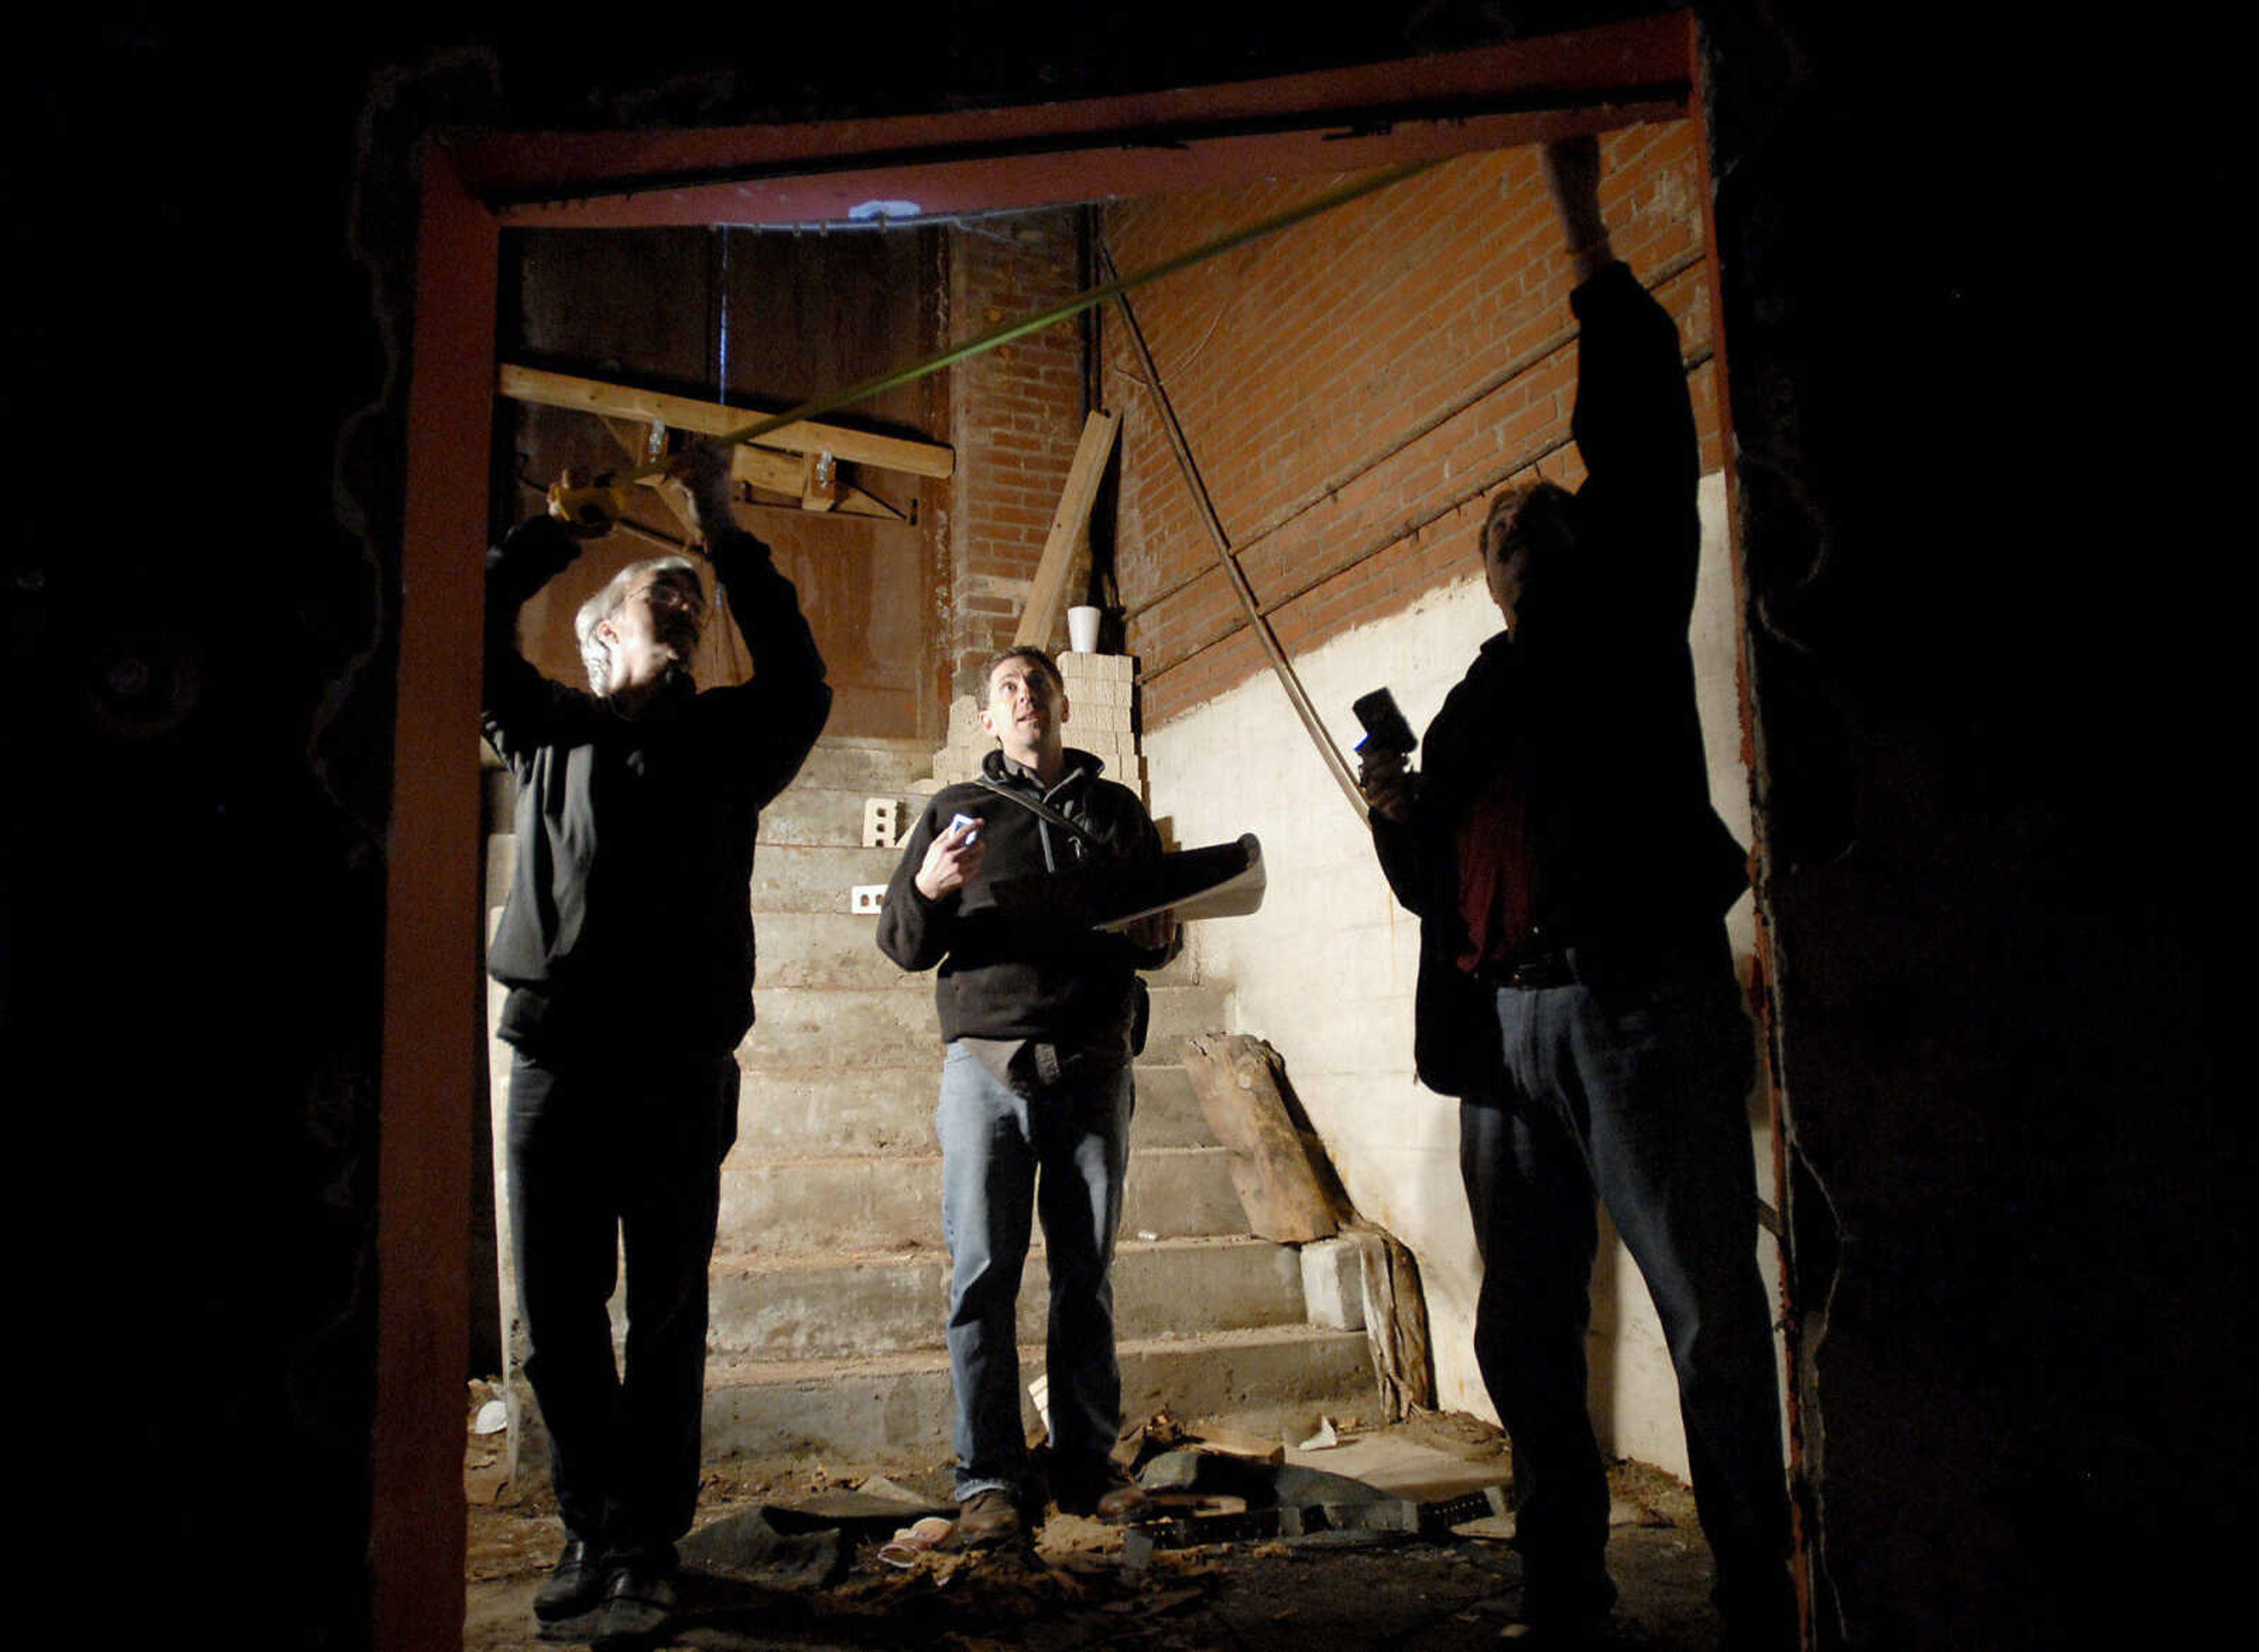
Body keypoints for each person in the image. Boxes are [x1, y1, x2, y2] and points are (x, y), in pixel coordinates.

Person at [1359, 136, 1794, 1650]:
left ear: (1585, 542)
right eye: (1499, 537)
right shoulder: (1481, 691)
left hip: (1630, 1008)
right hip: (1504, 1044)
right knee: (1525, 1337)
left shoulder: (1622, 607)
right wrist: (1397, 812)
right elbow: (1430, 883)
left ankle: (1763, 1597)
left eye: (1538, 520)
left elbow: (1644, 437)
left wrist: (1581, 225)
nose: (1516, 538)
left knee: (1707, 1318)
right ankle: (1562, 1596)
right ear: (1488, 582)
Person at [483, 445, 830, 1646]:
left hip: (680, 1072)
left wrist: (722, 524)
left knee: (667, 1316)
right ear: (595, 642)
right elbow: (464, 628)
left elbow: (801, 673)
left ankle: (649, 1547)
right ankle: (596, 1531)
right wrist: (556, 530)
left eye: (692, 604)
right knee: (562, 1315)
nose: (679, 610)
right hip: (558, 1065)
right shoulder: (543, 730)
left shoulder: (733, 742)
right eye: (655, 599)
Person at [876, 645, 1180, 1549]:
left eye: (1038, 686)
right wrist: (929, 889)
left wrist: (1161, 937)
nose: (1024, 699)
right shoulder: (954, 812)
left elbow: (1153, 938)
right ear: (988, 721)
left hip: (1092, 1064)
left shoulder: (1116, 814)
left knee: (1086, 1277)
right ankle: (991, 1482)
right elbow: (901, 943)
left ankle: (1088, 1468)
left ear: (1062, 707)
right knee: (981, 1280)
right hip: (984, 1069)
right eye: (1007, 690)